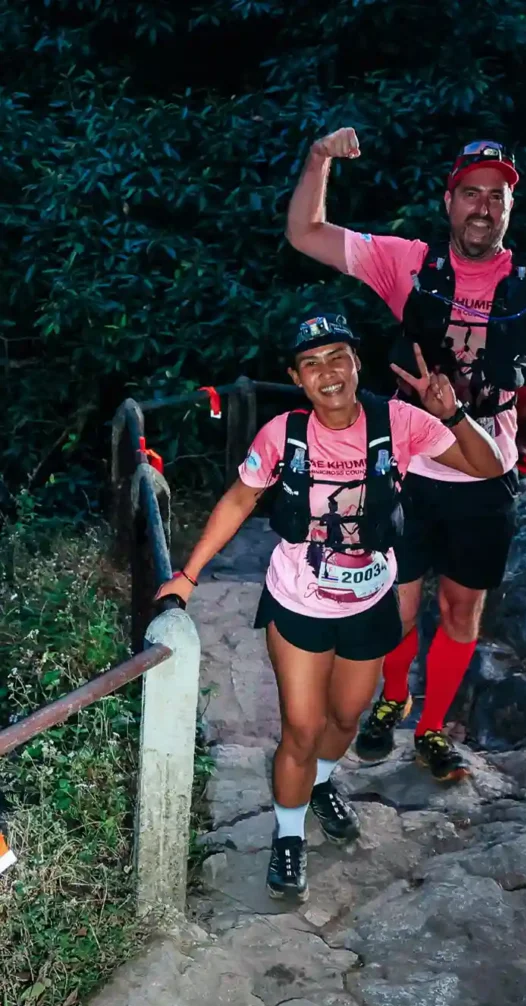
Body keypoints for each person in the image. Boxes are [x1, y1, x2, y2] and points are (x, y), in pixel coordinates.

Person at [286, 130, 526, 781]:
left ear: (509, 208)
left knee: (460, 610)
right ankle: (393, 698)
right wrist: (318, 158)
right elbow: (306, 232)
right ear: (448, 202)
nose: (482, 206)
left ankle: (432, 728)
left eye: (496, 196)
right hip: (408, 467)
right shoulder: (405, 264)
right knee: (396, 604)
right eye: (470, 193)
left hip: (486, 467)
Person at [155, 313, 503, 901]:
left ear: (356, 363)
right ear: (297, 378)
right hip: (298, 599)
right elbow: (239, 499)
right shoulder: (283, 434)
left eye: (337, 356)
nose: (327, 372)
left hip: (370, 600)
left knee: (345, 718)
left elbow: (488, 466)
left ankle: (319, 784)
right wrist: (187, 577)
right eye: (311, 363)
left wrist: (452, 415)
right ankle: (288, 836)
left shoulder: (399, 422)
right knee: (302, 726)